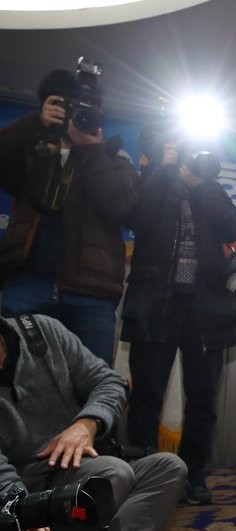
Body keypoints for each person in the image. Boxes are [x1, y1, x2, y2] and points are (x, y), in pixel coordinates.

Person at [0, 313, 186, 531]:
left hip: (77, 464)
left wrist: (86, 424)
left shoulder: (41, 330)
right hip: (21, 480)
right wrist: (19, 510)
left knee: (168, 467)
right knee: (111, 474)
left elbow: (110, 382)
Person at [119, 124, 236, 505]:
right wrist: (160, 169)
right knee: (147, 395)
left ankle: (194, 475)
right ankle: (145, 477)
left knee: (203, 400)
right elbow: (135, 217)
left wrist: (201, 185)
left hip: (206, 310)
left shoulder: (210, 186)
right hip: (156, 304)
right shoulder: (153, 179)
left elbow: (234, 228)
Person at [0, 68, 138, 366]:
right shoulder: (33, 152)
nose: (77, 116)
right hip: (26, 282)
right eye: (68, 107)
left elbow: (120, 207)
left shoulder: (115, 161)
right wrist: (34, 123)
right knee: (13, 379)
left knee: (92, 385)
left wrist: (92, 152)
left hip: (91, 292)